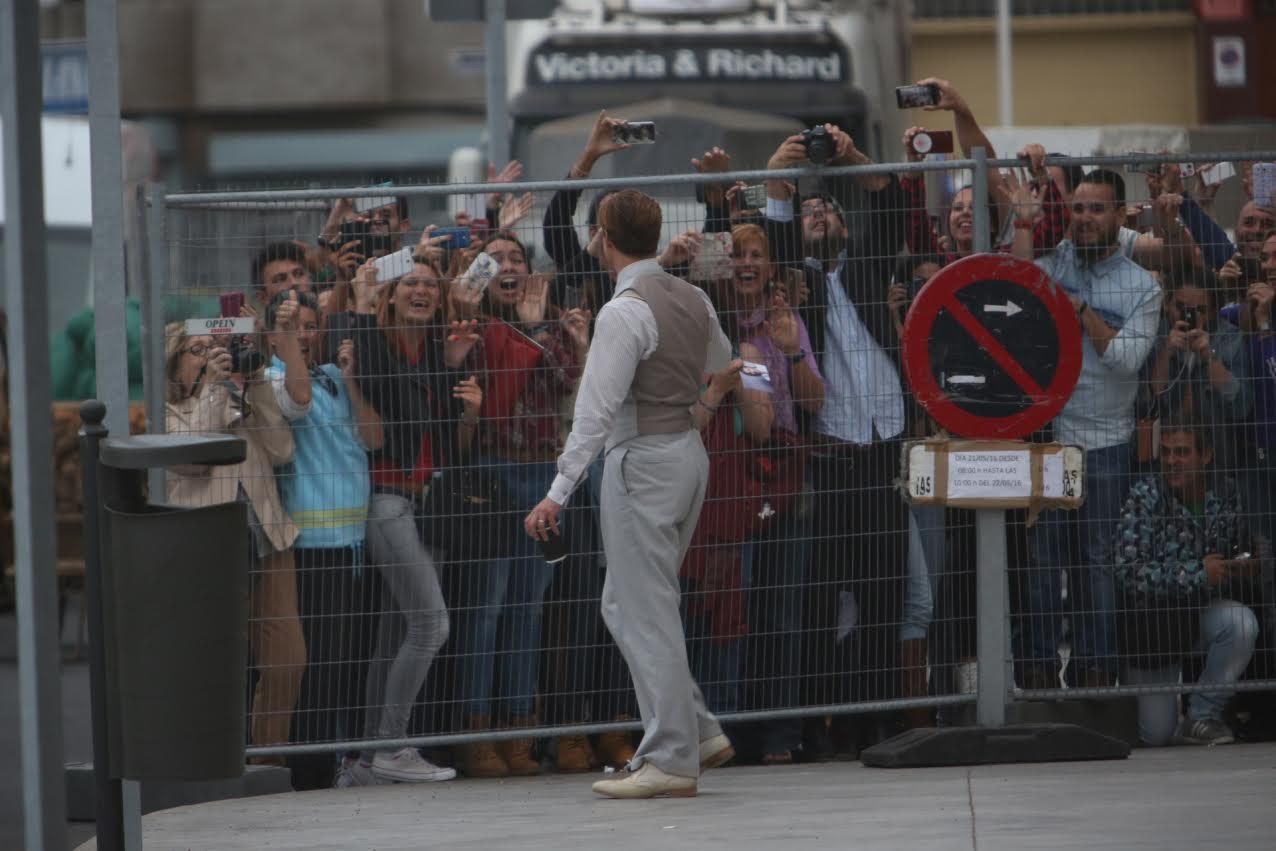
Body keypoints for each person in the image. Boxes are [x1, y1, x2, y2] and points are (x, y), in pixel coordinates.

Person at [524, 189, 735, 799]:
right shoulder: (691, 295)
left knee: (643, 610)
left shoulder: (623, 311)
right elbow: (719, 360)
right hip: (686, 456)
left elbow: (592, 415)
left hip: (640, 461)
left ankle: (670, 756)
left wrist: (556, 493)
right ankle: (694, 732)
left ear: (604, 238)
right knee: (629, 604)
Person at [445, 231, 592, 779]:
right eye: (497, 260)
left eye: (517, 259)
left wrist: (562, 338)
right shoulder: (472, 325)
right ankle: (476, 731)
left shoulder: (549, 320)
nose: (509, 268)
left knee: (529, 607)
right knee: (487, 606)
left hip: (541, 475)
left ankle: (519, 728)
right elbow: (492, 395)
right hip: (489, 475)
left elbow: (560, 382)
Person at [342, 256, 483, 783]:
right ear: (391, 294)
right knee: (432, 623)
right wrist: (359, 304)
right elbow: (383, 404)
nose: (421, 290)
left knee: (396, 631)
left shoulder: (435, 353)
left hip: (429, 504)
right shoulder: (373, 340)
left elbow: (449, 444)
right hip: (388, 501)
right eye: (411, 283)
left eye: (430, 284)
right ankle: (392, 747)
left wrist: (457, 385)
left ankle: (366, 761)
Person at [1020, 169, 1162, 690]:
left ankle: (1094, 676)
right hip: (1048, 437)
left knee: (1097, 563)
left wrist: (1080, 311)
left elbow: (1126, 361)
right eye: (1078, 209)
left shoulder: (1142, 288)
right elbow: (1012, 277)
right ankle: (1035, 674)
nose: (1084, 219)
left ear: (1120, 217)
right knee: (1041, 563)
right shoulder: (1052, 264)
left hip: (1106, 444)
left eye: (1097, 209)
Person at [162, 322, 305, 760]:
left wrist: (256, 382)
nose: (208, 356)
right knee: (213, 663)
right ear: (173, 363)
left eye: (215, 348)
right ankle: (208, 762)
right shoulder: (164, 412)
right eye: (196, 350)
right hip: (207, 549)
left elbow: (282, 451)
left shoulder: (236, 400)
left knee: (287, 661)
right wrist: (212, 389)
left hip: (268, 539)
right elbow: (195, 458)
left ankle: (269, 759)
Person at [262, 290, 386, 789]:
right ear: (271, 334)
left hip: (353, 540)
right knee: (317, 667)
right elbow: (297, 403)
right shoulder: (271, 379)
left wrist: (352, 381)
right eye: (294, 326)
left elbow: (373, 438)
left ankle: (338, 759)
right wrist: (288, 346)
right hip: (312, 545)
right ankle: (311, 771)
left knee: (346, 662)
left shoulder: (333, 377)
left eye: (312, 325)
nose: (305, 334)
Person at [1112, 417, 1262, 746]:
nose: (1171, 461)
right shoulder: (1145, 494)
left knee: (1241, 623)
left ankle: (1201, 716)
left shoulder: (1226, 492)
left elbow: (1234, 545)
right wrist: (1197, 573)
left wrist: (1244, 564)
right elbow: (1127, 571)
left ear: (1205, 455)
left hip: (1198, 614)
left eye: (1182, 452)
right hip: (1153, 630)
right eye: (1165, 453)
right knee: (1156, 736)